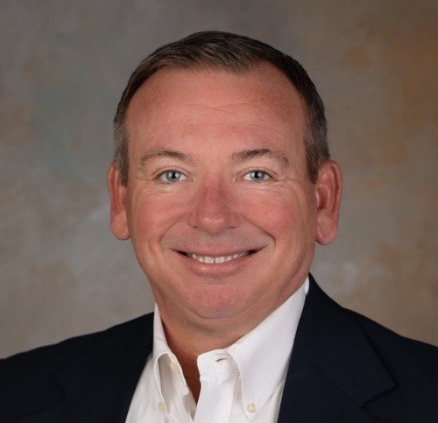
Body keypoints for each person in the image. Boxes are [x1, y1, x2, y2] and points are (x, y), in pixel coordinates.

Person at [1, 31, 437, 422]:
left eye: (257, 174)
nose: (212, 218)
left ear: (323, 200)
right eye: (172, 174)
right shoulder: (15, 395)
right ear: (121, 200)